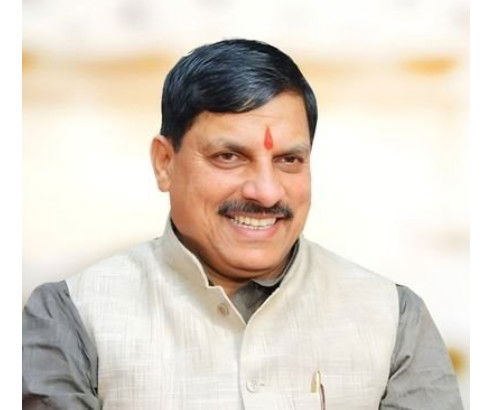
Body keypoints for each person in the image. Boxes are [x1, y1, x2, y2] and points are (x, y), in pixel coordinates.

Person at [22, 39, 463, 410]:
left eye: (288, 160)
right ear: (165, 163)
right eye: (229, 157)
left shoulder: (393, 319)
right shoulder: (71, 316)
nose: (266, 193)